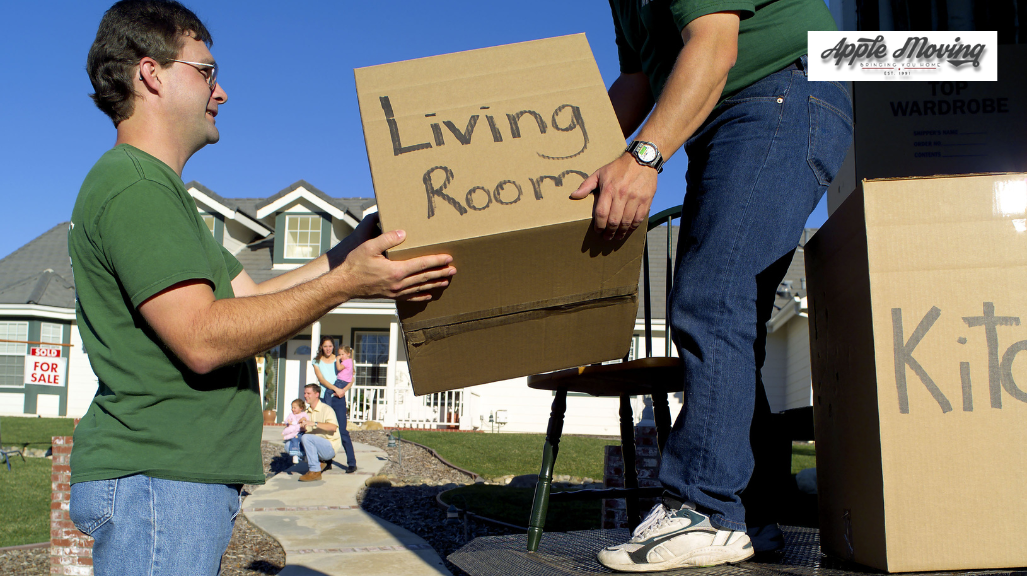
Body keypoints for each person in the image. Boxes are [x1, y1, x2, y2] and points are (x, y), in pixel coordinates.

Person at [66, 2, 456, 574]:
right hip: (158, 480)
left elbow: (247, 301)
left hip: (173, 480)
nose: (221, 93)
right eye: (206, 72)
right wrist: (348, 281)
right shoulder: (136, 187)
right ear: (151, 74)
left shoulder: (163, 194)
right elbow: (202, 339)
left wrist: (350, 252)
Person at [570, 0, 852, 571]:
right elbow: (638, 78)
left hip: (779, 95)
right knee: (727, 310)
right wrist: (561, 165)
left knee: (712, 297)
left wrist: (644, 158)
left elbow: (715, 44)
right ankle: (751, 513)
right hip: (731, 117)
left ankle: (701, 511)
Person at [311, 337, 356, 472]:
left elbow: (351, 377)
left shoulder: (341, 359)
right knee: (325, 431)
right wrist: (335, 388)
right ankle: (326, 461)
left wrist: (343, 391)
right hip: (325, 399)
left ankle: (352, 463)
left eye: (330, 346)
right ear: (321, 347)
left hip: (338, 397)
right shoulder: (317, 361)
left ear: (333, 347)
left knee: (342, 431)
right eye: (325, 346)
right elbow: (321, 379)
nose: (328, 348)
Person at [298, 384, 342, 481]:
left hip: (329, 448)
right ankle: (319, 462)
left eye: (308, 393)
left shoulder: (326, 409)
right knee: (289, 446)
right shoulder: (307, 412)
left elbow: (333, 427)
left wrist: (314, 423)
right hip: (315, 446)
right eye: (305, 393)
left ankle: (315, 472)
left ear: (317, 394)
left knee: (306, 438)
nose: (305, 396)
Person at [282, 399, 309, 464]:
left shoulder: (303, 414)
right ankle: (295, 455)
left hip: (302, 432)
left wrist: (304, 419)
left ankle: (305, 455)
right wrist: (288, 422)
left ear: (301, 408)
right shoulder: (291, 415)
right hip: (294, 433)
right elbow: (286, 421)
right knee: (294, 441)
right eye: (292, 407)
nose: (293, 409)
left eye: (294, 408)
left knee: (303, 443)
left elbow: (307, 420)